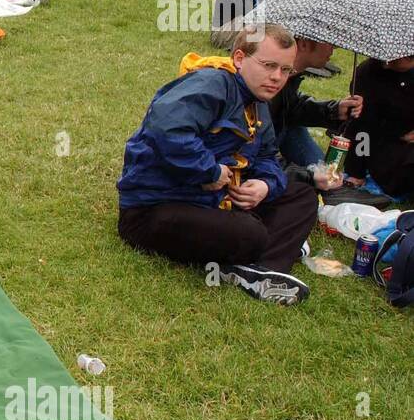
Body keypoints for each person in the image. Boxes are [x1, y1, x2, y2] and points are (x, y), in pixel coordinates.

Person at [117, 24, 317, 305]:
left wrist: (264, 185)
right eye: (269, 65)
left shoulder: (258, 101)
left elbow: (268, 157)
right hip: (153, 209)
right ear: (239, 58)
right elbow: (165, 128)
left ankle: (258, 269)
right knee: (250, 233)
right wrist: (207, 170)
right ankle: (259, 255)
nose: (277, 77)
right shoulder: (213, 84)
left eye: (285, 70)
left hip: (215, 202)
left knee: (303, 196)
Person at [269, 37, 364, 188]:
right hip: (255, 163)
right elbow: (257, 156)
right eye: (328, 41)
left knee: (326, 177)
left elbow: (291, 107)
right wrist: (308, 176)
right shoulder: (267, 83)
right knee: (320, 181)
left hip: (277, 135)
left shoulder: (288, 77)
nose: (334, 48)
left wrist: (334, 110)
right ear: (304, 44)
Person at [344, 56, 414, 197]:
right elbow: (360, 127)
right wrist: (356, 171)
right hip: (385, 142)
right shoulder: (367, 73)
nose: (387, 63)